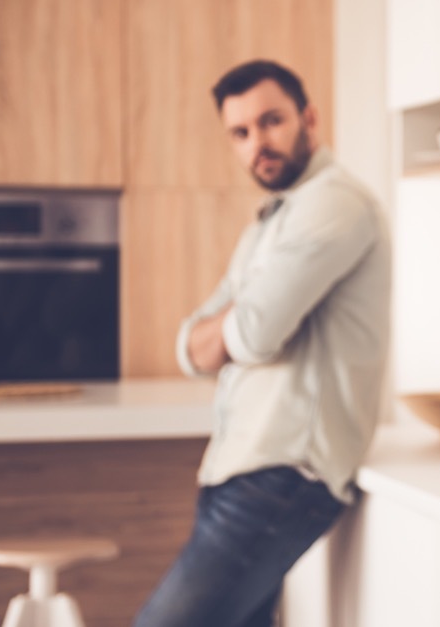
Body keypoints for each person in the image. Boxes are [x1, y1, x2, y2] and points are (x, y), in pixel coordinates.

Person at [134, 60, 392, 627]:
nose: (258, 143)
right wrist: (240, 317)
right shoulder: (268, 224)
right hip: (239, 470)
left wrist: (237, 322)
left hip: (283, 475)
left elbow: (252, 334)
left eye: (271, 122)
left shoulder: (335, 203)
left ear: (309, 119)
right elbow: (189, 346)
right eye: (241, 133)